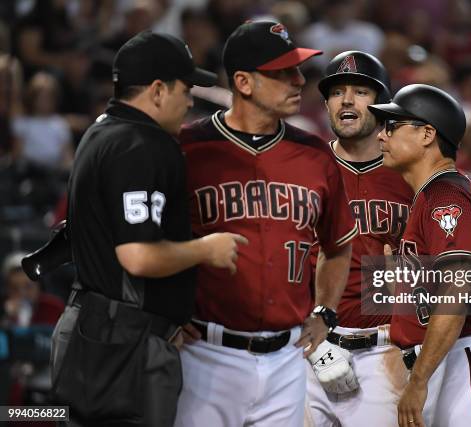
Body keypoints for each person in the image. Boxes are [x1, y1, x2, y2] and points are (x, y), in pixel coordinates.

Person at [48, 31, 246, 427]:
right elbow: (137, 256)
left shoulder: (103, 130)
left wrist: (168, 307)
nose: (190, 101)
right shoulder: (141, 145)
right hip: (122, 345)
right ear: (158, 90)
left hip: (98, 328)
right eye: (185, 89)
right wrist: (206, 249)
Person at [173, 21, 356, 427]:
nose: (298, 80)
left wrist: (325, 311)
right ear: (243, 82)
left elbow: (339, 246)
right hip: (205, 353)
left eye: (298, 70)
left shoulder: (315, 155)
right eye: (281, 73)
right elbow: (150, 239)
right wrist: (164, 310)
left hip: (288, 360)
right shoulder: (187, 148)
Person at [368, 84, 471, 427]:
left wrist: (418, 381)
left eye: (392, 126)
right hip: (455, 357)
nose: (381, 136)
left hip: (466, 359)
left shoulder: (445, 195)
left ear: (426, 134)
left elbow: (457, 292)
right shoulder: (447, 192)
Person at [305, 51, 413, 427]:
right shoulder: (305, 169)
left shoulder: (414, 172)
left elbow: (467, 265)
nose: (346, 100)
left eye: (360, 91)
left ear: (383, 106)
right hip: (308, 345)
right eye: (337, 92)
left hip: (384, 352)